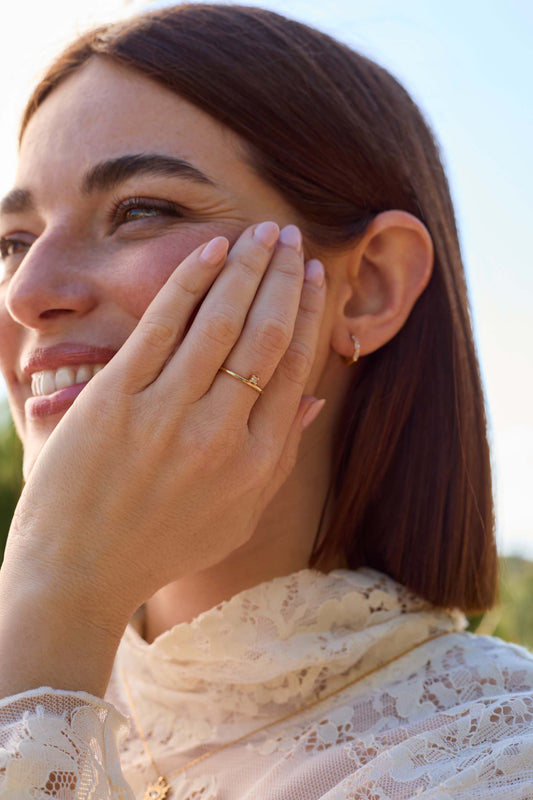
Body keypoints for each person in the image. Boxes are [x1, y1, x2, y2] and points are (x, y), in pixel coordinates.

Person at [0, 4, 531, 799]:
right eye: (13, 243)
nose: (29, 294)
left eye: (142, 209)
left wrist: (57, 596)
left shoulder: (495, 757)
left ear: (370, 285)